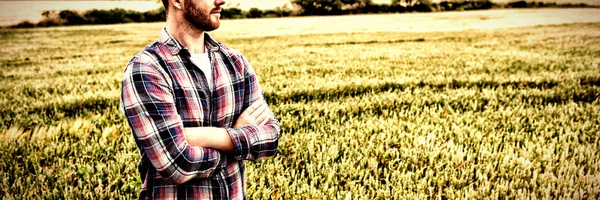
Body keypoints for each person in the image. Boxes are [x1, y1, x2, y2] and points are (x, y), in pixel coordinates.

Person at [119, 0, 281, 198]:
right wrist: (238, 139)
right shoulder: (146, 70)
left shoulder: (235, 61)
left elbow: (271, 137)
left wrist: (203, 137)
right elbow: (176, 164)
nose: (221, 0)